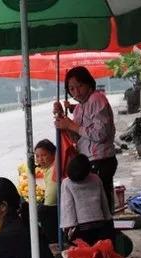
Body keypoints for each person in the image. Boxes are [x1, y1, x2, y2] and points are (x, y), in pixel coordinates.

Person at [53, 66, 117, 212]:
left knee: (102, 206)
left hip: (101, 160)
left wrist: (71, 125)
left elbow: (101, 134)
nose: (76, 92)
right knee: (96, 205)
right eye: (72, 89)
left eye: (80, 86)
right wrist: (63, 118)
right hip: (89, 160)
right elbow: (77, 137)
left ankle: (107, 233)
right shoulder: (81, 107)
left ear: (89, 83)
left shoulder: (97, 99)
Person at [60, 154, 114, 245]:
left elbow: (68, 208)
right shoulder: (96, 178)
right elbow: (103, 202)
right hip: (100, 225)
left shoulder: (66, 183)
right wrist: (108, 219)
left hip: (81, 228)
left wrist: (67, 229)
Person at [34, 139, 58, 243]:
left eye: (44, 155)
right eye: (37, 156)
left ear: (53, 154)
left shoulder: (54, 169)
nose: (40, 159)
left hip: (54, 208)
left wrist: (43, 207)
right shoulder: (49, 168)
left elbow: (51, 200)